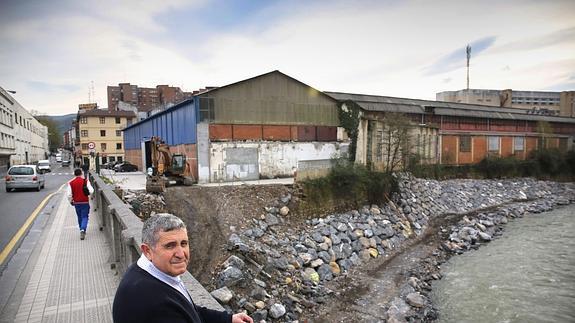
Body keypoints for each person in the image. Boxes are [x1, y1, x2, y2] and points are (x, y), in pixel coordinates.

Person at [113, 214, 253, 323]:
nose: (181, 254)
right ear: (147, 251)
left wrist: (227, 319)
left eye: (184, 243)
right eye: (170, 245)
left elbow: (188, 310)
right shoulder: (152, 302)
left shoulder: (150, 272)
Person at [66, 168, 94, 240]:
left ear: (74, 174)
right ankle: (83, 229)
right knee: (85, 216)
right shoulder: (85, 181)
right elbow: (91, 190)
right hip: (85, 202)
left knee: (79, 216)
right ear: (81, 174)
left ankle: (81, 229)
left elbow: (69, 194)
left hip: (76, 202)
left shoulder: (71, 183)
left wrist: (71, 201)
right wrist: (87, 194)